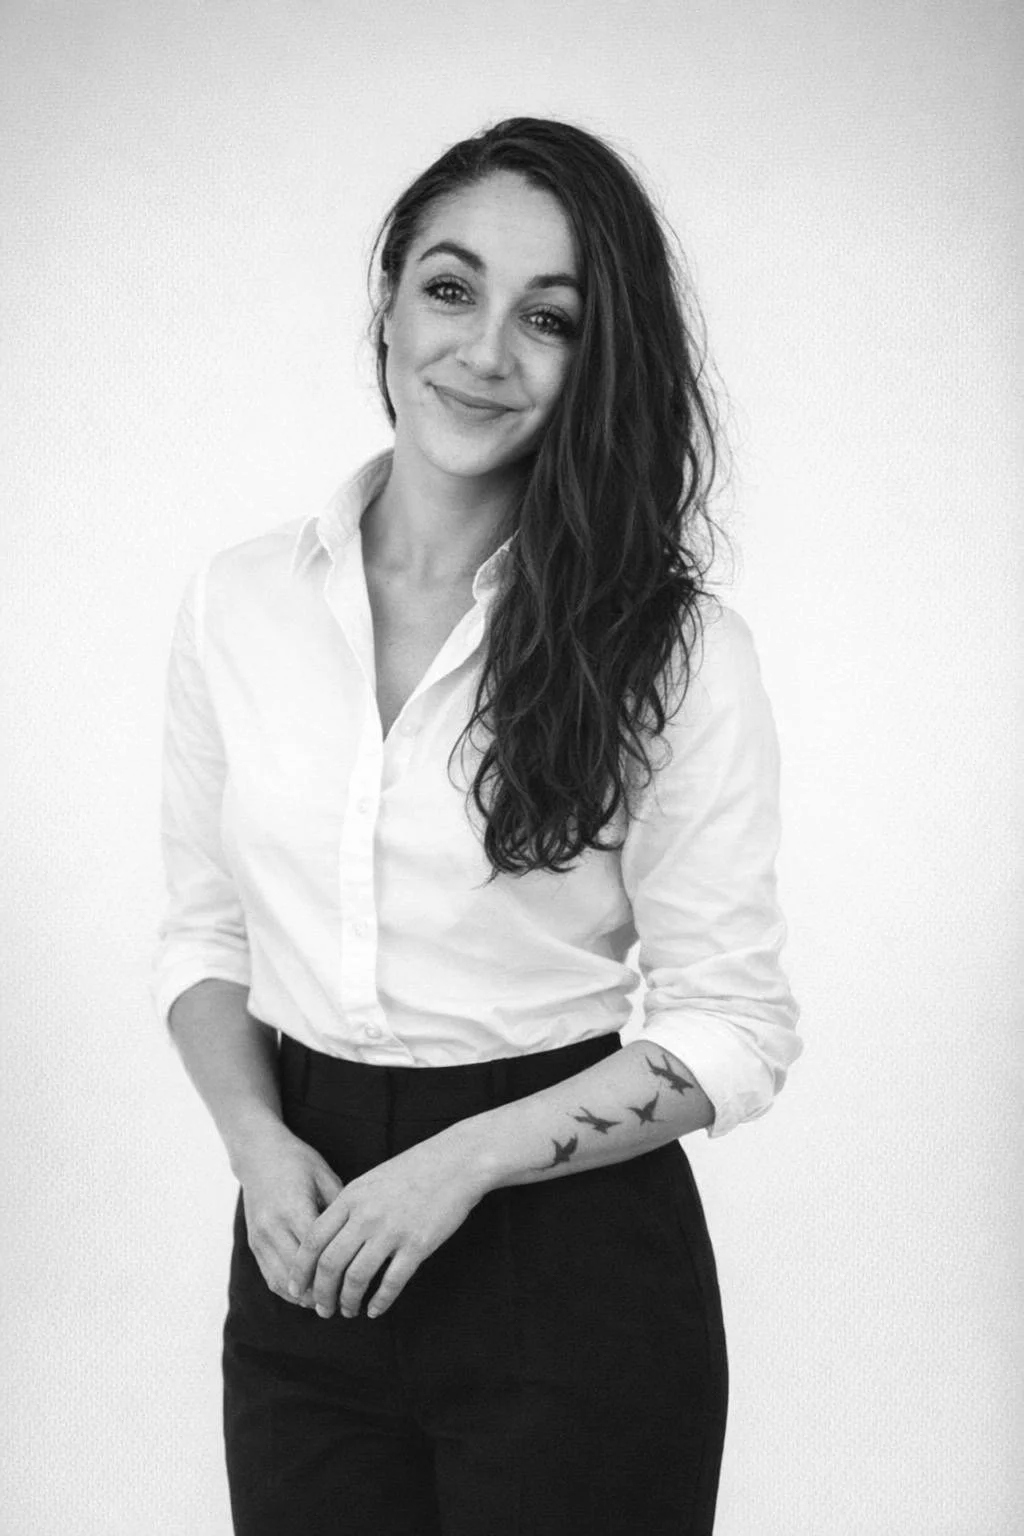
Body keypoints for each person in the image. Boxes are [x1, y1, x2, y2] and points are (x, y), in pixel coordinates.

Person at [151, 115, 803, 1536]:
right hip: (307, 1240)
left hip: (569, 1262)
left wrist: (460, 1163)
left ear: (597, 361)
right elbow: (205, 937)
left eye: (547, 318)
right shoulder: (239, 602)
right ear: (387, 302)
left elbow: (736, 1029)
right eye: (451, 288)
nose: (485, 350)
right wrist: (256, 1143)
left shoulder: (675, 652)